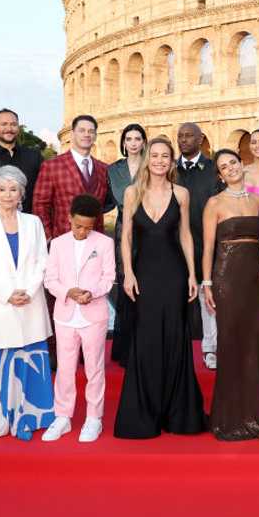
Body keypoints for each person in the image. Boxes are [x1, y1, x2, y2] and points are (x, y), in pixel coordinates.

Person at [114, 136, 205, 438]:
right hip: (144, 275)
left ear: (172, 160)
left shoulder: (181, 193)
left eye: (166, 156)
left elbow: (185, 236)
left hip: (174, 275)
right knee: (146, 339)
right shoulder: (131, 193)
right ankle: (145, 412)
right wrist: (128, 273)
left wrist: (193, 275)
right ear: (147, 158)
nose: (160, 161)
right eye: (155, 155)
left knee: (175, 338)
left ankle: (176, 412)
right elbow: (126, 236)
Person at [0, 165, 55, 443]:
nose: (7, 194)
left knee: (29, 362)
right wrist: (7, 293)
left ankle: (28, 417)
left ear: (21, 194)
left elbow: (43, 260)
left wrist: (27, 290)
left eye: (13, 189)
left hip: (30, 303)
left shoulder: (34, 223)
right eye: (2, 189)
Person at [202, 149, 259, 441]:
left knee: (254, 344)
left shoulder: (258, 199)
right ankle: (228, 418)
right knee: (230, 343)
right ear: (219, 174)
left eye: (233, 163)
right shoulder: (214, 203)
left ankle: (255, 415)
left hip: (256, 279)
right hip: (226, 277)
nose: (230, 168)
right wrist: (206, 283)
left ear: (242, 165)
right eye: (223, 167)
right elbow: (207, 248)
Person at [42, 194, 116, 443]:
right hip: (65, 315)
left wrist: (91, 293)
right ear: (69, 219)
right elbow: (50, 279)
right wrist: (68, 292)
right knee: (64, 368)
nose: (83, 231)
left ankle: (94, 418)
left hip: (93, 315)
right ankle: (62, 416)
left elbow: (109, 277)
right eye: (78, 225)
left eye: (88, 226)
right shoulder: (58, 244)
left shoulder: (104, 243)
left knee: (95, 369)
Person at [176, 121, 221, 370]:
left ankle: (210, 347)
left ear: (200, 139)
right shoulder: (171, 170)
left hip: (207, 242)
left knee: (207, 296)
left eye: (189, 136)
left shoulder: (213, 168)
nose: (183, 140)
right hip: (177, 243)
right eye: (180, 136)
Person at [33, 114, 111, 241]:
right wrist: (48, 238)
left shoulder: (104, 168)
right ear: (72, 134)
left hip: (95, 241)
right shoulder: (52, 166)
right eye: (82, 130)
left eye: (91, 131)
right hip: (63, 240)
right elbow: (40, 205)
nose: (87, 134)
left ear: (95, 136)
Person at [107, 123, 146, 364]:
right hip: (124, 228)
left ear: (144, 141)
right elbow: (109, 199)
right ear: (123, 142)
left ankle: (144, 346)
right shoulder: (114, 169)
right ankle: (124, 348)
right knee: (125, 284)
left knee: (147, 284)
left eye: (137, 138)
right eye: (129, 138)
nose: (133, 143)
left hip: (150, 227)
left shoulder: (151, 164)